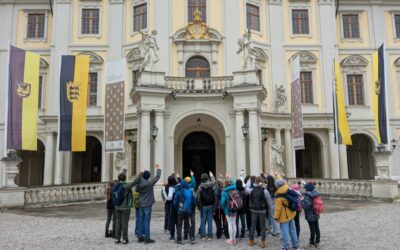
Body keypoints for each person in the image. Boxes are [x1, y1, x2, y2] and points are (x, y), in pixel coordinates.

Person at [114, 171, 144, 244]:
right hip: (125, 207)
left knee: (118, 222)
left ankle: (117, 239)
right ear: (125, 179)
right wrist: (141, 173)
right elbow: (135, 181)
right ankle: (125, 239)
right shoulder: (126, 186)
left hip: (117, 206)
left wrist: (123, 171)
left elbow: (120, 177)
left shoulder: (116, 185)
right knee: (124, 223)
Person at [136, 164, 162, 244]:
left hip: (140, 203)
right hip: (147, 204)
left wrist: (141, 172)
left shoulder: (139, 183)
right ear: (149, 177)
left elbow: (137, 183)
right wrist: (158, 168)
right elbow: (157, 177)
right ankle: (147, 238)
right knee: (147, 221)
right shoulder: (149, 183)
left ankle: (140, 237)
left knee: (140, 220)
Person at [245, 176, 272, 248]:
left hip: (253, 209)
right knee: (263, 226)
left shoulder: (251, 190)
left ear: (255, 182)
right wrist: (269, 212)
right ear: (262, 181)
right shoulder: (265, 190)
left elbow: (246, 190)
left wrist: (248, 182)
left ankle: (251, 241)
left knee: (252, 225)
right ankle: (262, 242)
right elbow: (269, 203)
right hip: (262, 210)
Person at [274, 179, 300, 250]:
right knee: (293, 230)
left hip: (284, 216)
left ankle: (286, 247)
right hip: (291, 213)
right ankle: (296, 246)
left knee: (285, 232)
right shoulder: (288, 189)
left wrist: (275, 217)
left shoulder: (278, 194)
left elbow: (278, 209)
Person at [173, 179, 196, 244]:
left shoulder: (178, 192)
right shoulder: (190, 192)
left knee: (179, 225)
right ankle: (192, 237)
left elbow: (175, 202)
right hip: (188, 211)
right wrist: (191, 209)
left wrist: (177, 208)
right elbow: (194, 202)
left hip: (180, 211)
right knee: (187, 224)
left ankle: (179, 240)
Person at [197, 171, 216, 240]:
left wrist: (199, 206)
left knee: (203, 220)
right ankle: (210, 235)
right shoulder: (211, 185)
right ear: (207, 178)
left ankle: (203, 235)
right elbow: (214, 182)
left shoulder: (200, 187)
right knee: (210, 221)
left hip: (203, 206)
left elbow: (198, 198)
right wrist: (212, 175)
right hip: (210, 205)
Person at [302, 182, 321, 249]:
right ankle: (317, 242)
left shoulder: (308, 195)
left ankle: (311, 243)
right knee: (317, 229)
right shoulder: (316, 193)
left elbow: (307, 206)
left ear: (307, 189)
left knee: (312, 230)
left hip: (310, 215)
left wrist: (302, 202)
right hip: (316, 213)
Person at [221, 178, 238, 245]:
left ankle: (231, 240)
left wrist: (223, 208)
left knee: (230, 224)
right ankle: (234, 239)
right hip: (235, 209)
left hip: (227, 210)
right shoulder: (235, 189)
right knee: (234, 223)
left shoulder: (224, 191)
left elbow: (222, 202)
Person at [164, 174, 178, 241]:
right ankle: (179, 235)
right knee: (178, 221)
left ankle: (172, 236)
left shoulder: (170, 188)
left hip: (171, 207)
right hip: (178, 206)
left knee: (172, 221)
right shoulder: (178, 186)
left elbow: (169, 197)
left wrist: (166, 199)